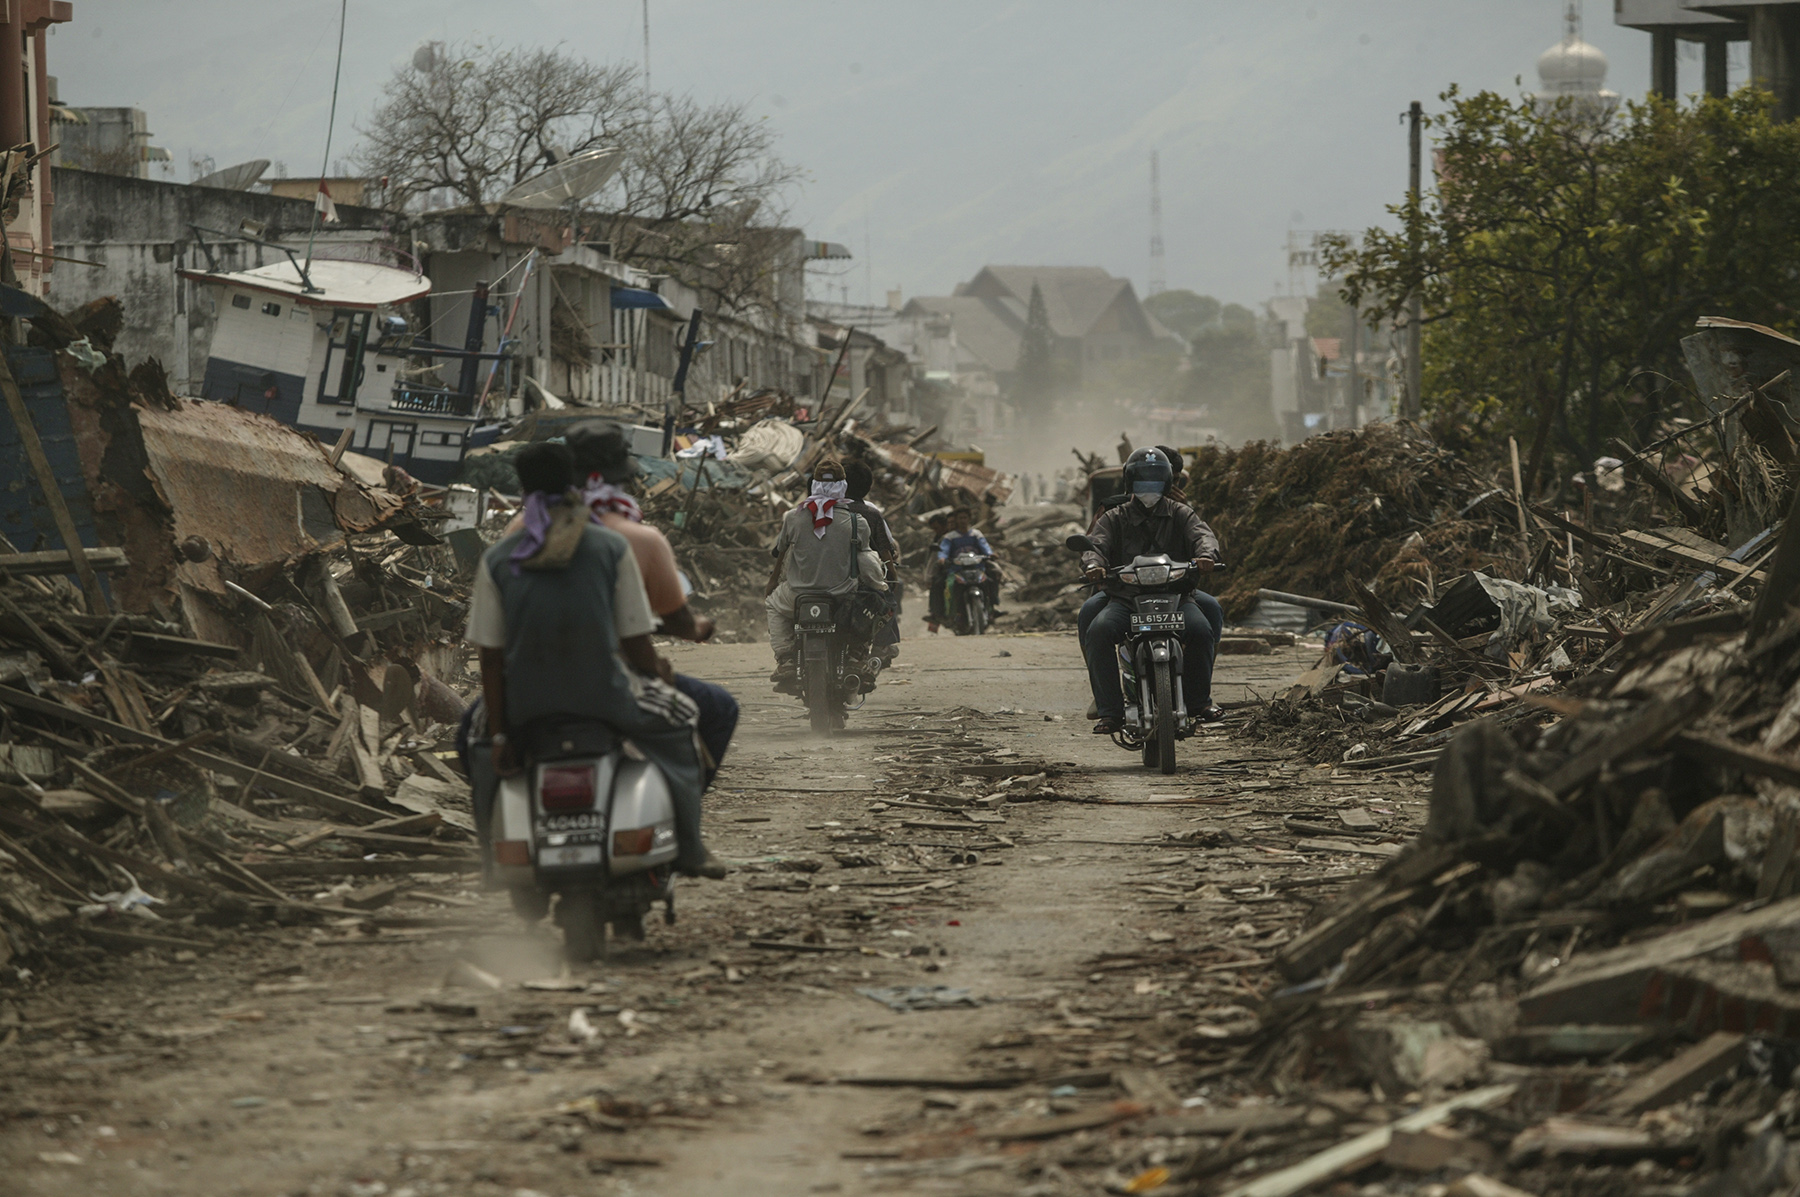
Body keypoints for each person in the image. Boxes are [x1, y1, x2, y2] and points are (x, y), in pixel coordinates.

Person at [466, 441, 726, 878]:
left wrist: (498, 737)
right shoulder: (610, 548)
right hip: (607, 699)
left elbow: (490, 658)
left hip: (524, 709)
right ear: (574, 482)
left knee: (474, 749)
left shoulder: (498, 556)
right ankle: (690, 848)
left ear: (521, 486)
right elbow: (637, 641)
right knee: (684, 721)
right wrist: (655, 675)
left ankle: (493, 861)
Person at [565, 423, 741, 785]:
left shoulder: (524, 532)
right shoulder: (636, 539)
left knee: (471, 734)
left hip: (533, 679)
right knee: (719, 708)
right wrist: (697, 630)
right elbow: (660, 625)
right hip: (613, 682)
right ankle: (685, 817)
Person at [1079, 447, 1226, 734]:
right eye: (1142, 481)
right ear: (1130, 483)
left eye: (1155, 481)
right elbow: (1095, 544)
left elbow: (1203, 536)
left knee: (1201, 630)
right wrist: (1094, 564)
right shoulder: (1113, 514)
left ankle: (1199, 702)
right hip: (1126, 598)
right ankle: (1109, 710)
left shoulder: (1182, 513)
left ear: (1169, 483)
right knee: (1097, 630)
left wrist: (1207, 556)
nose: (1149, 488)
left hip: (1177, 596)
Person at [766, 458, 889, 691]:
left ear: (813, 484)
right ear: (844, 486)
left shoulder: (792, 518)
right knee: (869, 607)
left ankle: (786, 660)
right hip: (842, 596)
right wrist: (879, 585)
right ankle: (855, 657)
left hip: (797, 595)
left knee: (773, 604)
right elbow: (866, 560)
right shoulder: (857, 521)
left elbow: (781, 553)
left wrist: (772, 583)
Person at [842, 460, 902, 661]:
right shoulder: (870, 513)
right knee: (886, 598)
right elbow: (887, 550)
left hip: (822, 576)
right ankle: (882, 645)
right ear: (868, 487)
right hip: (863, 576)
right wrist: (892, 574)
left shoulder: (819, 510)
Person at [928, 505, 1001, 634]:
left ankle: (992, 607)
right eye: (960, 518)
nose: (962, 520)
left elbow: (985, 547)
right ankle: (951, 613)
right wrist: (942, 558)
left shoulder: (976, 534)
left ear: (969, 518)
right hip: (956, 571)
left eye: (965, 518)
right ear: (956, 520)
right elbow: (944, 550)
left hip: (978, 568)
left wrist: (990, 554)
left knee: (990, 580)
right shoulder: (950, 537)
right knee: (949, 585)